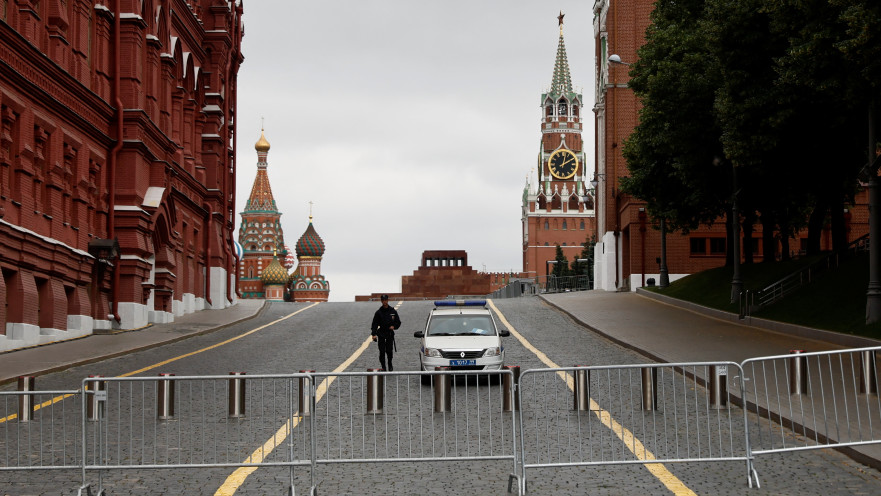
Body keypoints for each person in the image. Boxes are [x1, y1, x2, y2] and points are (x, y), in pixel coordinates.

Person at [371, 295, 401, 371]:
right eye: (383, 300)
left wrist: (394, 326)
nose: (384, 301)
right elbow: (374, 324)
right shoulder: (378, 312)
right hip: (381, 333)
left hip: (389, 334)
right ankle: (383, 366)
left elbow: (398, 322)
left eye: (385, 300)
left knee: (389, 351)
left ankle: (390, 364)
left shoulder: (393, 311)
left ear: (388, 300)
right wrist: (373, 334)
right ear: (381, 301)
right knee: (381, 351)